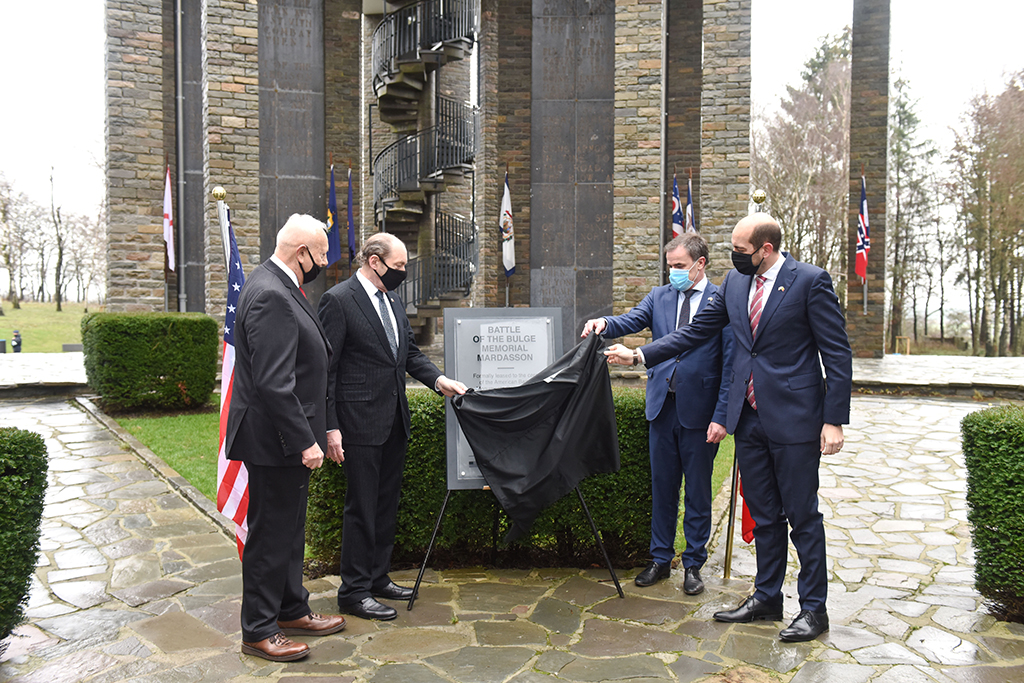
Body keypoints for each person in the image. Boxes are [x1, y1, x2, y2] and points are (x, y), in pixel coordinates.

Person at [606, 213, 852, 643]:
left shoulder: (810, 281)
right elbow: (695, 333)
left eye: (740, 251)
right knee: (766, 516)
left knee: (803, 517)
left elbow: (837, 354)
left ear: (766, 250)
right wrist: (640, 356)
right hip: (750, 418)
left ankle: (814, 611)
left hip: (796, 419)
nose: (733, 258)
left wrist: (833, 419)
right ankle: (767, 597)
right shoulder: (735, 285)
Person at [317, 233, 467, 621]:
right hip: (357, 424)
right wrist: (330, 427)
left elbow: (410, 355)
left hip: (393, 421)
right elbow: (325, 372)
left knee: (385, 506)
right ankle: (353, 591)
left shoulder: (393, 300)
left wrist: (439, 381)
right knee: (361, 508)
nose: (403, 273)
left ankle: (377, 577)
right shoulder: (338, 300)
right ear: (373, 261)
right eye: (399, 266)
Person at [224, 214, 347, 662]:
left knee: (291, 531)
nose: (325, 263)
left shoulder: (278, 284)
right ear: (302, 254)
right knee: (271, 535)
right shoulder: (272, 295)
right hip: (275, 442)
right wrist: (304, 441)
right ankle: (258, 629)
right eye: (322, 255)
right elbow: (276, 384)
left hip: (285, 438)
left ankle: (291, 608)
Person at [581, 233, 733, 595]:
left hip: (701, 412)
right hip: (661, 407)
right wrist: (603, 323)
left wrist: (723, 415)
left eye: (679, 267)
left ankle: (693, 564)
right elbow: (631, 319)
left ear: (700, 264)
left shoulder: (721, 302)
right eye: (669, 267)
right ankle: (660, 559)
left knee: (697, 492)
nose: (673, 274)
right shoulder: (660, 296)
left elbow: (730, 366)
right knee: (663, 489)